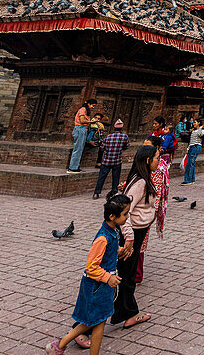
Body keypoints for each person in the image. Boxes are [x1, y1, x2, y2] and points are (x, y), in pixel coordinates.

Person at [45, 194, 129, 355]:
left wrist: (120, 251)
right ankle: (60, 345)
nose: (127, 217)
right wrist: (108, 277)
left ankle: (60, 346)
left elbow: (108, 253)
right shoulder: (103, 237)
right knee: (97, 321)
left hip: (102, 285)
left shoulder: (113, 230)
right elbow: (91, 267)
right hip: (96, 286)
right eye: (125, 214)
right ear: (112, 216)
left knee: (98, 321)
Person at [111, 146, 159, 329]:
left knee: (128, 276)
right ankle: (84, 328)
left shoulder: (144, 179)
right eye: (156, 157)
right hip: (131, 234)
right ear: (147, 160)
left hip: (137, 233)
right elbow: (124, 212)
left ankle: (130, 312)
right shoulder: (139, 183)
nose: (158, 161)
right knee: (121, 277)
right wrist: (129, 239)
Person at [134, 139, 170, 285]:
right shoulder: (146, 165)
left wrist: (152, 213)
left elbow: (154, 191)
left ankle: (136, 275)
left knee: (138, 243)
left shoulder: (156, 168)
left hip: (144, 211)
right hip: (144, 210)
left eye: (147, 147)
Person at [93, 120, 129, 199]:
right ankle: (114, 193)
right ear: (121, 128)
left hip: (106, 160)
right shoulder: (124, 137)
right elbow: (126, 147)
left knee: (101, 177)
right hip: (117, 161)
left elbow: (102, 148)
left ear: (114, 128)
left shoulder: (108, 137)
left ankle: (96, 193)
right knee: (116, 178)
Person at [69, 101, 94, 172]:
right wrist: (91, 122)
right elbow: (82, 121)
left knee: (80, 149)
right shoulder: (83, 110)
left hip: (83, 129)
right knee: (78, 149)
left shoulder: (85, 111)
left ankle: (75, 166)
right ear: (89, 104)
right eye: (93, 105)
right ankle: (72, 168)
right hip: (80, 129)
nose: (93, 107)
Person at [183, 118, 204, 185]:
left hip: (196, 146)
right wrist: (188, 148)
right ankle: (191, 179)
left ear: (199, 123)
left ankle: (188, 180)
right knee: (191, 163)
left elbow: (200, 134)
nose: (194, 124)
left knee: (190, 163)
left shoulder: (201, 130)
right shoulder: (193, 131)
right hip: (191, 146)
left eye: (195, 122)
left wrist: (200, 128)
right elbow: (191, 141)